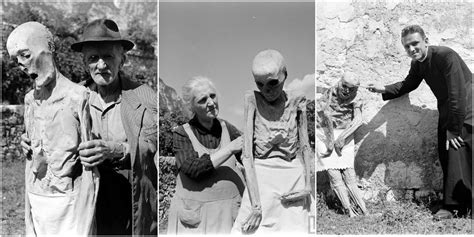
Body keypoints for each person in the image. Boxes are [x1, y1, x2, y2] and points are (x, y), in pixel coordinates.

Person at [367, 25, 472, 219]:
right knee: (446, 154)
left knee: (457, 154)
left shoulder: (445, 56)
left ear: (426, 40)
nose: (411, 49)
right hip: (449, 110)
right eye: (407, 46)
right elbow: (409, 84)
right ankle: (457, 204)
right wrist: (384, 89)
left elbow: (458, 94)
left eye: (415, 43)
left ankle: (454, 208)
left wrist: (454, 130)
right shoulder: (418, 64)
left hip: (466, 110)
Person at [7, 22, 98, 235]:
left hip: (71, 206)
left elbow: (90, 169)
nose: (23, 66)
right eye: (18, 61)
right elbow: (32, 154)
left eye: (26, 55)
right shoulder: (30, 100)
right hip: (39, 200)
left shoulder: (78, 97)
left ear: (49, 48)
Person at [71, 18, 157, 234]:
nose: (101, 65)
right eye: (93, 58)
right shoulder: (73, 98)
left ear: (123, 60)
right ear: (85, 63)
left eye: (108, 56)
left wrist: (117, 150)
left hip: (130, 192)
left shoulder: (144, 96)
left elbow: (152, 143)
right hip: (87, 192)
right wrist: (33, 144)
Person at [232, 49, 313, 234]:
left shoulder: (297, 100)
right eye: (260, 84)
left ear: (285, 76)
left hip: (293, 177)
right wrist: (256, 207)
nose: (266, 91)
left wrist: (308, 187)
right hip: (260, 180)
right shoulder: (252, 100)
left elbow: (305, 146)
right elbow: (247, 154)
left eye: (272, 83)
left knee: (301, 227)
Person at [166, 76, 245, 234]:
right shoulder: (182, 134)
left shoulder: (228, 128)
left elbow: (250, 157)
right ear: (192, 107)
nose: (211, 103)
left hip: (229, 216)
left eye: (212, 96)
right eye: (202, 100)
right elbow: (194, 169)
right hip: (196, 220)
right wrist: (230, 149)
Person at [316, 72, 368, 217]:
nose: (347, 91)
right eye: (345, 86)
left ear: (356, 89)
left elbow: (358, 120)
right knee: (334, 175)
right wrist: (330, 141)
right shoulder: (329, 93)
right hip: (326, 133)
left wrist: (342, 138)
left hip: (345, 134)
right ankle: (349, 211)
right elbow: (324, 117)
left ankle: (364, 211)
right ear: (340, 83)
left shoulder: (357, 97)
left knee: (349, 174)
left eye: (351, 89)